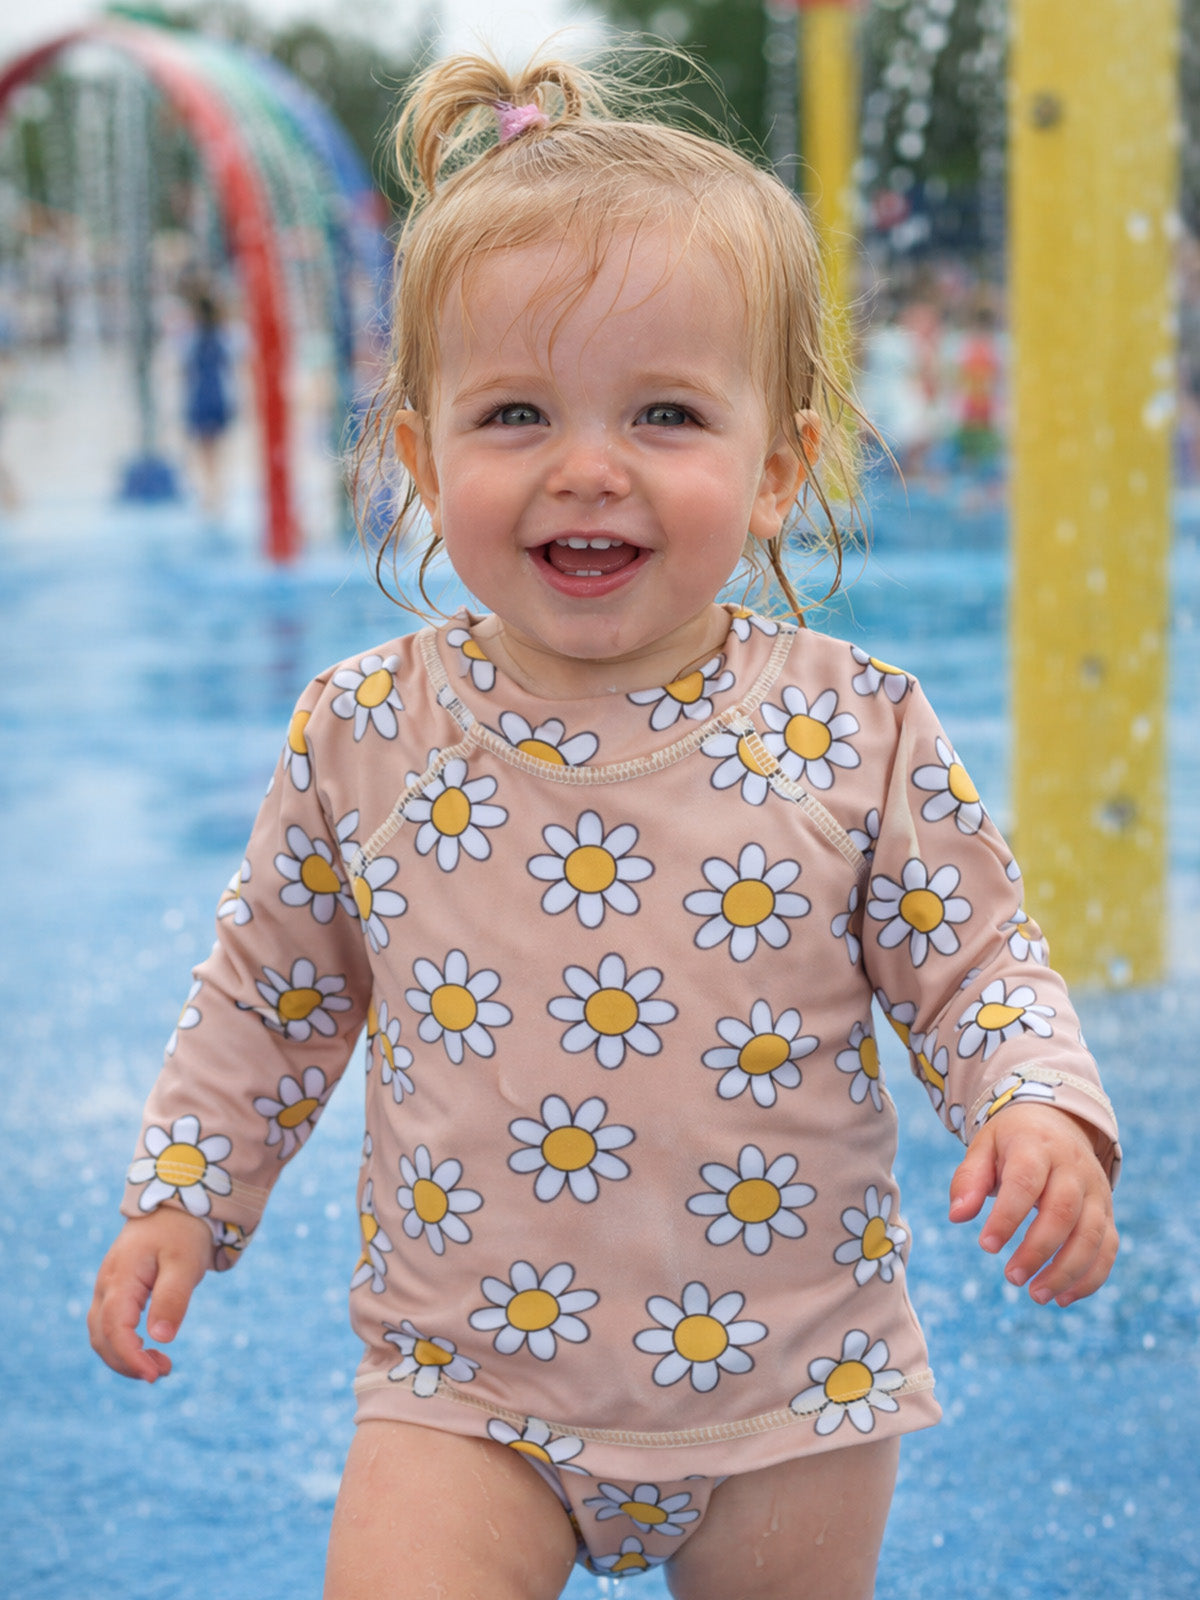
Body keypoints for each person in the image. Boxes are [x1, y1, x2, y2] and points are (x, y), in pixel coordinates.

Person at [89, 49, 1120, 1600]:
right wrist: (182, 1194)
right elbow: (267, 997)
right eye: (516, 412)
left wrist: (1038, 1107)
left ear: (775, 466)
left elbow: (977, 961)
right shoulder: (364, 736)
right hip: (465, 1388)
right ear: (423, 457)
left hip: (791, 1390)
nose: (590, 468)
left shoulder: (857, 724)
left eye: (663, 414)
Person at [182, 289, 234, 515]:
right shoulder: (218, 339)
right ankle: (216, 493)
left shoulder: (195, 341)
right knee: (215, 450)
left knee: (205, 450)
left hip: (202, 398)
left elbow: (186, 370)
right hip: (216, 397)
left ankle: (210, 494)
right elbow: (228, 366)